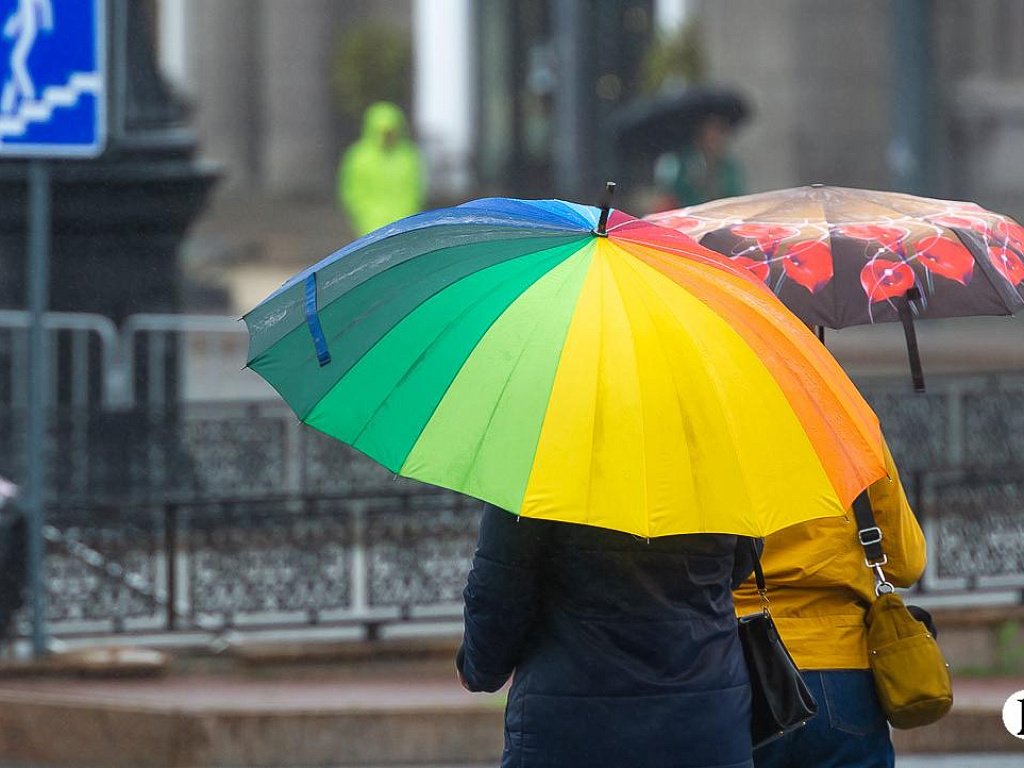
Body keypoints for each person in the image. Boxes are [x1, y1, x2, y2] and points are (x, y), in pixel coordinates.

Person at [457, 503, 760, 768]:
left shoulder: (542, 461)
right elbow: (741, 562)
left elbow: (499, 588)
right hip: (705, 718)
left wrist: (480, 669)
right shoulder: (718, 460)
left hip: (572, 723)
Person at [733, 442, 926, 768]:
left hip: (738, 665)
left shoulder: (704, 426)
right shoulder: (844, 427)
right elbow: (906, 564)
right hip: (843, 673)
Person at [337, 101, 424, 238]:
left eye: (392, 132)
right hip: (370, 224)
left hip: (405, 221)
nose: (388, 137)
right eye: (384, 132)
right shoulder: (359, 157)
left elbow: (416, 188)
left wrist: (411, 213)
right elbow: (351, 190)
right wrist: (363, 214)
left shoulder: (408, 155)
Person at [654, 114, 745, 209]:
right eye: (714, 131)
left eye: (722, 131)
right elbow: (668, 194)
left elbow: (736, 198)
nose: (719, 138)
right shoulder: (676, 161)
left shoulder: (728, 166)